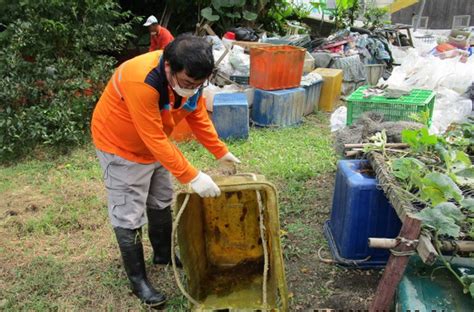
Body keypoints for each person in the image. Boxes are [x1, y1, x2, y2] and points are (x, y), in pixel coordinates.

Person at [91, 34, 241, 307]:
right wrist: (192, 176)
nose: (192, 88)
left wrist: (220, 151)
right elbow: (154, 138)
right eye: (187, 83)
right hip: (120, 146)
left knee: (160, 199)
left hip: (155, 144)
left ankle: (162, 254)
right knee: (128, 214)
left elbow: (195, 113)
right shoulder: (142, 80)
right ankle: (138, 281)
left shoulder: (189, 82)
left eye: (198, 84)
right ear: (169, 66)